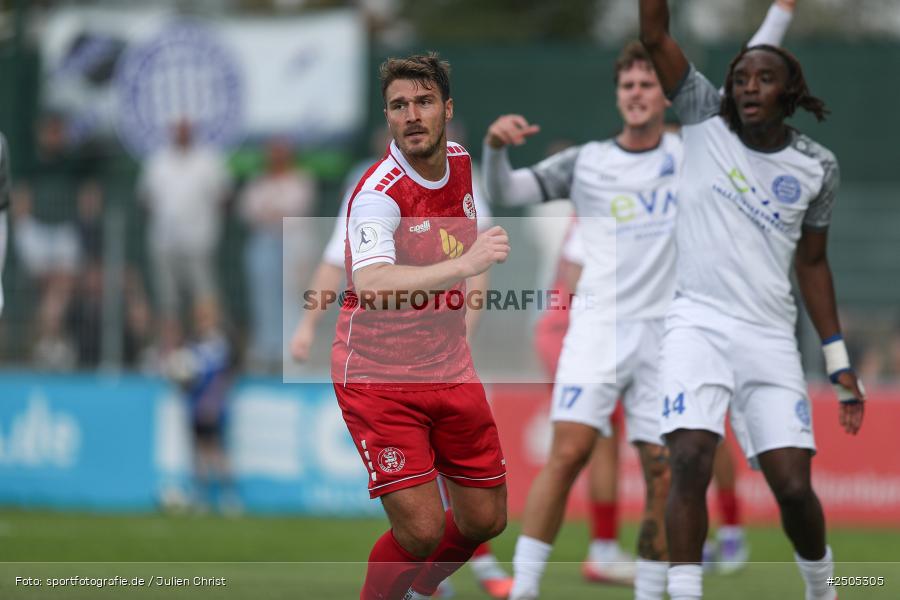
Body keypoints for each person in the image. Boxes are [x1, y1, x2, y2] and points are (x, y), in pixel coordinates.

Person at [484, 5, 795, 597]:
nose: (635, 91)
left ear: (666, 93)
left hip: (670, 338)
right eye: (627, 83)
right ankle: (523, 588)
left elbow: (748, 70)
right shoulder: (588, 162)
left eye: (647, 82)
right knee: (569, 451)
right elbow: (510, 190)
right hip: (598, 330)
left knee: (667, 470)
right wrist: (495, 150)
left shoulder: (697, 151)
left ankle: (657, 589)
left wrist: (780, 11)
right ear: (618, 95)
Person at [638, 1, 865, 599]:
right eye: (740, 79)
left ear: (791, 90)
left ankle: (823, 587)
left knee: (792, 485)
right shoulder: (701, 117)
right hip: (696, 325)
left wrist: (839, 362)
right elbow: (655, 32)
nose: (748, 88)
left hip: (769, 337)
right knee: (687, 457)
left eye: (764, 78)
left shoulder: (817, 167)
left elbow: (812, 266)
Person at [289, 129, 513, 599]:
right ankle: (439, 582)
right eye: (399, 106)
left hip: (448, 364)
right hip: (383, 371)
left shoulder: (460, 169)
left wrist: (463, 333)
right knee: (422, 527)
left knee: (485, 516)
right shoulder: (369, 189)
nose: (412, 118)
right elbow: (348, 267)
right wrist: (308, 323)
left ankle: (424, 588)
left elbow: (481, 259)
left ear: (446, 111)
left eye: (425, 103)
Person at [138, 118, 231, 351]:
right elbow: (146, 198)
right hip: (164, 242)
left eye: (185, 127)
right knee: (167, 299)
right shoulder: (158, 161)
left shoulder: (208, 160)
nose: (181, 132)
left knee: (204, 296)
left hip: (199, 241)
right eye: (177, 127)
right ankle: (170, 349)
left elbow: (224, 195)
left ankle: (210, 345)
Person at [239, 137, 318, 372]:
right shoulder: (258, 181)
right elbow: (249, 209)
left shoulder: (301, 179)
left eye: (281, 152)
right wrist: (273, 210)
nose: (277, 157)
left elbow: (295, 208)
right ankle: (267, 350)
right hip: (264, 241)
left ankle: (291, 353)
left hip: (293, 243)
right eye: (273, 152)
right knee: (264, 298)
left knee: (293, 298)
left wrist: (271, 209)